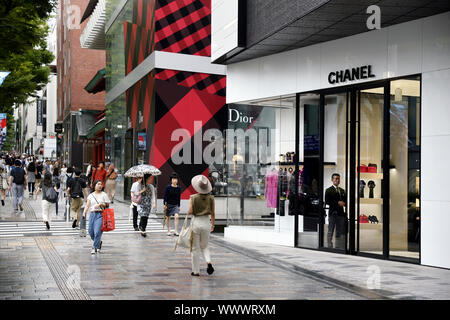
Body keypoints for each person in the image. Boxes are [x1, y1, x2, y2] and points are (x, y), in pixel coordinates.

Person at [187, 175, 215, 276]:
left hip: (196, 222)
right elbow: (213, 213)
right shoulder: (211, 198)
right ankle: (208, 262)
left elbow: (190, 211)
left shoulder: (193, 198)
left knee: (195, 248)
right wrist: (213, 224)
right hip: (206, 222)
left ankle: (196, 271)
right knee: (205, 246)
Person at [83, 180, 110, 254]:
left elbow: (107, 205)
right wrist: (84, 212)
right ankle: (98, 242)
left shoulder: (104, 194)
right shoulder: (90, 195)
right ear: (94, 185)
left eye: (101, 184)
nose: (100, 186)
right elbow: (88, 205)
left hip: (100, 214)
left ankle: (94, 247)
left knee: (97, 232)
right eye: (98, 184)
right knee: (91, 232)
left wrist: (101, 204)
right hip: (92, 215)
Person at [325, 173, 347, 249]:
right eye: (335, 178)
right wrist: (337, 203)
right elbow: (327, 201)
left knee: (339, 231)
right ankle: (329, 246)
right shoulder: (328, 190)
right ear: (332, 180)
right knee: (330, 230)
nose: (337, 180)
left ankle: (338, 246)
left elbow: (345, 201)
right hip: (332, 213)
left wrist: (344, 203)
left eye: (338, 178)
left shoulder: (342, 190)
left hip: (341, 213)